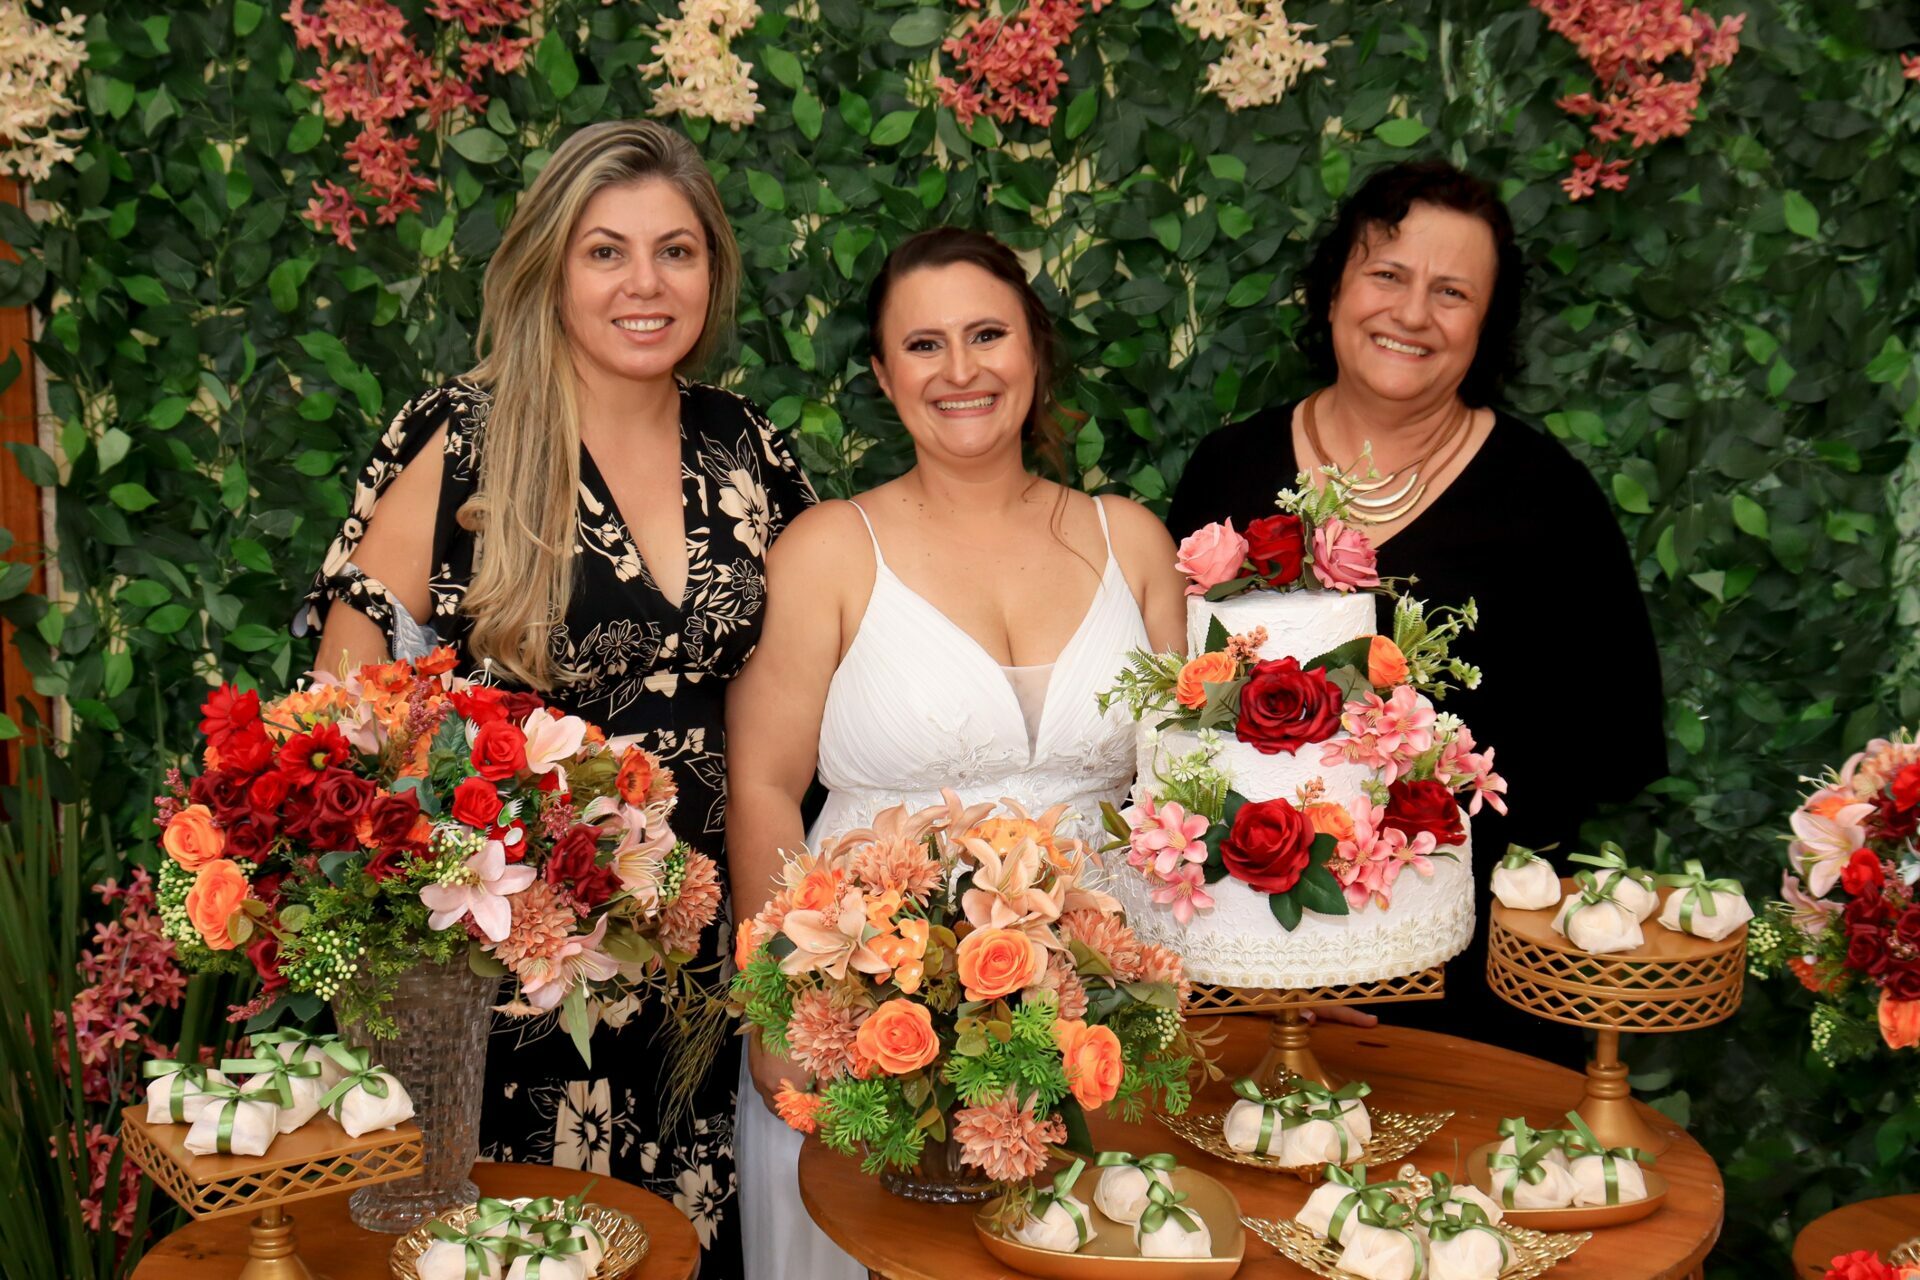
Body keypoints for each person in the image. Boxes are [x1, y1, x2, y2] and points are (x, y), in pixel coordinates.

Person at [294, 120, 815, 1274]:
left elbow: (815, 694)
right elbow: (341, 715)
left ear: (714, 271)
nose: (645, 283)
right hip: (514, 975)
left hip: (699, 973)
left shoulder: (746, 449)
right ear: (551, 268)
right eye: (606, 251)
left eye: (676, 251)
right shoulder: (465, 440)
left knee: (680, 1247)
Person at [723, 227, 1187, 1279]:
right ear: (885, 375)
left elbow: (1184, 791)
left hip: (1107, 1015)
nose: (961, 370)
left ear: (1036, 349)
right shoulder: (830, 549)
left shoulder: (1132, 541)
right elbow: (762, 784)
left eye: (987, 334)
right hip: (875, 1010)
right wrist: (778, 1008)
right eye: (923, 345)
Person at [1165, 160, 1666, 1058]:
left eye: (1451, 292)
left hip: (1479, 992)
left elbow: (1606, 750)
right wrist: (1288, 950)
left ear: (1487, 324)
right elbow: (1169, 720)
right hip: (1253, 976)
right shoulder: (1229, 471)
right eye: (1387, 274)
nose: (1411, 313)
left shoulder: (1549, 501)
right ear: (1333, 290)